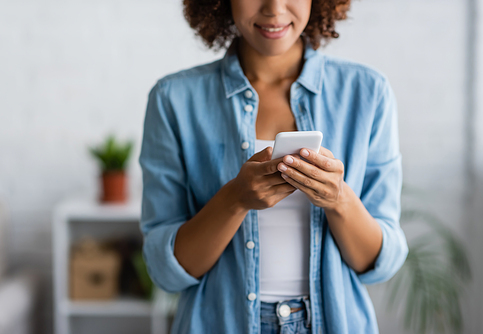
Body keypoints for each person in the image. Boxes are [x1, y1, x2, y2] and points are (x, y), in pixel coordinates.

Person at [138, 0, 409, 333]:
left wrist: (339, 200)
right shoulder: (173, 99)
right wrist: (234, 199)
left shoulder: (368, 93)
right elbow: (165, 271)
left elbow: (380, 265)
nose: (275, 9)